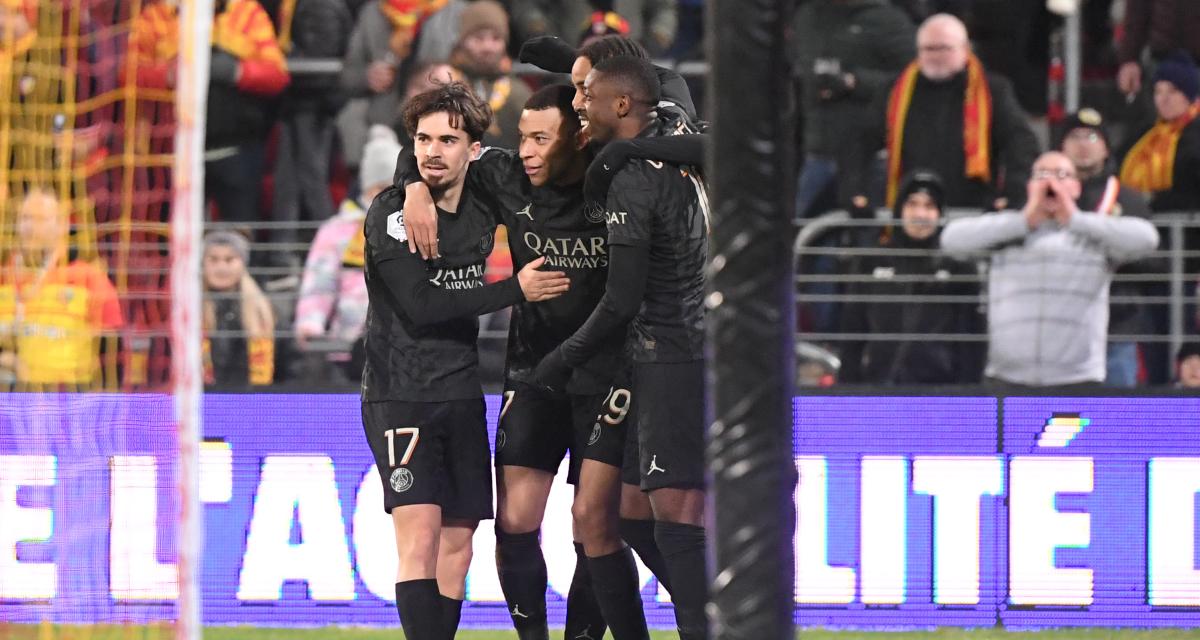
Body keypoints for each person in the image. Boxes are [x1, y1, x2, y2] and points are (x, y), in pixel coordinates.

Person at [400, 82, 704, 639]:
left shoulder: (617, 177)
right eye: (522, 137)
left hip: (610, 376)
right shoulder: (506, 176)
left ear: (579, 137)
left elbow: (682, 116)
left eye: (541, 138)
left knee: (595, 524)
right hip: (533, 370)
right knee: (515, 522)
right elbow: (435, 149)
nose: (526, 151)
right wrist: (413, 187)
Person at [360, 82, 569, 640]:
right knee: (421, 538)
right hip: (400, 391)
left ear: (474, 150)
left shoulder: (484, 197)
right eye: (423, 139)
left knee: (460, 543)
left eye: (448, 140)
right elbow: (423, 306)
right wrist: (515, 290)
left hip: (460, 391)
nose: (433, 151)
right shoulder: (391, 213)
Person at [534, 55, 711, 640]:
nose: (578, 104)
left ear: (622, 105)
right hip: (677, 351)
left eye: (587, 95)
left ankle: (721, 623)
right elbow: (659, 82)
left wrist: (560, 359)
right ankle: (718, 612)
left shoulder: (634, 180)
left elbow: (621, 300)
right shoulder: (677, 137)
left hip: (673, 353)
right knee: (633, 514)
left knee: (676, 517)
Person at [940, 152, 1160, 389]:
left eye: (1062, 175)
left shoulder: (1093, 236)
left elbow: (1147, 239)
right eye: (1042, 174)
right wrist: (1024, 220)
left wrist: (1075, 219)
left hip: (1078, 380)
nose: (1050, 183)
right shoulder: (1006, 231)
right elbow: (951, 240)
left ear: (1076, 188)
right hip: (1007, 379)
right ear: (1030, 187)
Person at [849, 13, 1040, 211]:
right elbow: (862, 142)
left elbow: (1020, 142)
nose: (935, 56)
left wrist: (1014, 192)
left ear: (965, 50)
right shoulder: (894, 91)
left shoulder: (993, 91)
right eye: (928, 49)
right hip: (913, 209)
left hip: (974, 208)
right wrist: (855, 191)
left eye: (944, 48)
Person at [838, 170, 983, 384]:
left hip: (940, 394)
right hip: (879, 391)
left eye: (929, 206)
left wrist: (968, 396)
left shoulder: (959, 268)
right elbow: (852, 334)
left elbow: (971, 344)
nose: (920, 214)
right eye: (912, 204)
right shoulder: (871, 261)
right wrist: (847, 391)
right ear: (900, 210)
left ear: (940, 214)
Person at [294, 127, 403, 381]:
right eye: (381, 187)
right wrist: (310, 323)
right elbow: (319, 283)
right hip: (344, 350)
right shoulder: (337, 230)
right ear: (367, 189)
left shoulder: (422, 227)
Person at [1058, 108, 1156, 387]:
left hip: (1116, 327)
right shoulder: (1047, 199)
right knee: (1061, 410)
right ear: (1061, 147)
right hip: (1060, 330)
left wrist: (1110, 256)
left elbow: (1153, 260)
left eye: (1092, 137)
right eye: (1074, 136)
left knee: (1116, 411)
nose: (1083, 144)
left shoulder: (1127, 199)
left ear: (1105, 148)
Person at [0, 188, 123, 390]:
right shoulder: (4, 276)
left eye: (41, 219)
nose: (30, 227)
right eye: (25, 218)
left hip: (69, 401)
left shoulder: (88, 279)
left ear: (63, 226)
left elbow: (113, 355)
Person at [448, 0, 534, 149]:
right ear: (462, 41)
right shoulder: (443, 84)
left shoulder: (518, 94)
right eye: (479, 38)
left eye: (496, 38)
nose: (488, 47)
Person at [202, 231, 276, 386]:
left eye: (229, 260)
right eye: (213, 259)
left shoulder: (264, 311)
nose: (221, 267)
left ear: (243, 263)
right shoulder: (189, 312)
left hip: (255, 398)